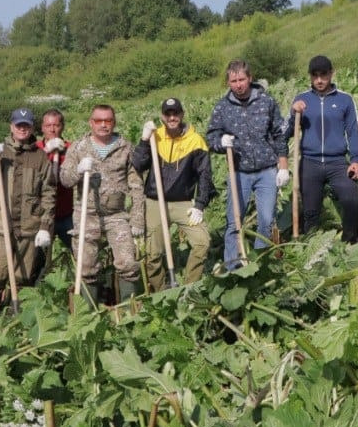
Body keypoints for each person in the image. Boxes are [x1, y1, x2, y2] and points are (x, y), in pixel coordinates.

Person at [0, 108, 55, 318]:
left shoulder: (40, 157)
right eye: (19, 125)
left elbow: (49, 195)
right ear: (11, 127)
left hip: (28, 230)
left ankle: (15, 325)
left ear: (32, 128)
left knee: (24, 282)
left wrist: (45, 227)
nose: (22, 129)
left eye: (26, 125)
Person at [207, 60, 290, 270]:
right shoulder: (222, 107)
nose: (238, 85)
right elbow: (211, 137)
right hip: (239, 172)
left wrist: (283, 165)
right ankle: (232, 268)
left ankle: (261, 264)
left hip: (267, 171)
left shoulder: (266, 102)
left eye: (242, 79)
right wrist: (220, 142)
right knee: (234, 222)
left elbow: (279, 133)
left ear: (250, 78)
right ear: (228, 82)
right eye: (233, 81)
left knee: (266, 220)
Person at [60, 104, 144, 302]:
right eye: (99, 121)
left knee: (128, 263)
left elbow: (136, 185)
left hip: (117, 215)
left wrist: (138, 219)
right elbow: (65, 179)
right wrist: (78, 171)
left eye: (108, 121)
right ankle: (88, 314)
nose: (104, 125)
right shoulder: (79, 147)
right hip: (86, 214)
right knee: (86, 266)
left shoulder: (125, 147)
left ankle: (128, 311)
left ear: (114, 123)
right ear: (91, 123)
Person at [131, 97, 214, 290]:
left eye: (175, 113)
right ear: (162, 116)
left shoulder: (195, 141)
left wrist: (200, 205)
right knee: (153, 253)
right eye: (168, 114)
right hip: (155, 201)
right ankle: (161, 292)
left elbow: (205, 176)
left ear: (182, 114)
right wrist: (144, 140)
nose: (172, 117)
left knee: (203, 243)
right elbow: (138, 164)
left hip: (183, 203)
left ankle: (189, 288)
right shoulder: (155, 137)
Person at [287, 55, 358, 243]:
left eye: (323, 75)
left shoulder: (345, 100)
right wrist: (293, 114)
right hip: (310, 163)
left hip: (337, 162)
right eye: (315, 76)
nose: (319, 80)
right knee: (311, 211)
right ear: (310, 77)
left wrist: (355, 160)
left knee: (351, 199)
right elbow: (288, 131)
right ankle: (311, 250)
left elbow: (353, 131)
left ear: (331, 74)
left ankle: (349, 243)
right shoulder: (302, 100)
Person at [34, 108, 74, 277]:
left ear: (62, 127)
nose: (52, 129)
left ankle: (80, 286)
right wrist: (45, 153)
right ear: (42, 128)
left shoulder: (71, 149)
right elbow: (29, 173)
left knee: (80, 251)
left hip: (66, 214)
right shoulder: (35, 150)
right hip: (41, 216)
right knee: (36, 259)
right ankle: (36, 290)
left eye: (56, 125)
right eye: (48, 125)